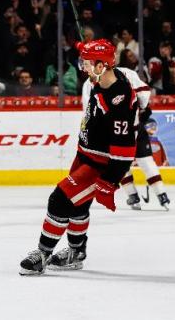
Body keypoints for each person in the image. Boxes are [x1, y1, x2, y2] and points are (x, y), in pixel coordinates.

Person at [19, 39, 138, 275]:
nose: (82, 67)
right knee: (78, 205)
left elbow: (125, 151)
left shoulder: (119, 99)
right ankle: (76, 252)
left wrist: (109, 182)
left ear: (102, 65)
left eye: (87, 62)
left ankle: (43, 253)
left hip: (99, 164)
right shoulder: (101, 78)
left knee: (59, 200)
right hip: (84, 155)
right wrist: (90, 49)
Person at [82, 65, 171, 211]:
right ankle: (162, 195)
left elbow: (90, 110)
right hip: (134, 126)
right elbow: (143, 91)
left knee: (121, 164)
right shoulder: (126, 72)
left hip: (115, 132)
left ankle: (133, 195)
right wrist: (142, 107)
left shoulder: (89, 84)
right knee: (145, 161)